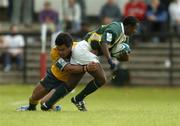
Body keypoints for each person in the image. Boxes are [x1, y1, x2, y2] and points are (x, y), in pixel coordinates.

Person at [41, 16, 139, 112]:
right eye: (135, 28)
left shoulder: (125, 37)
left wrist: (124, 53)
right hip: (84, 49)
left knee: (70, 84)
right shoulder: (116, 28)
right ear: (128, 26)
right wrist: (110, 60)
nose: (135, 31)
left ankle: (47, 105)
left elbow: (125, 58)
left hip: (83, 51)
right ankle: (78, 99)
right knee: (101, 79)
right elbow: (104, 42)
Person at [17, 33, 98, 111]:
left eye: (63, 49)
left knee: (44, 103)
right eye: (59, 49)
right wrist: (86, 68)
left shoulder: (79, 49)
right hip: (53, 76)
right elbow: (67, 68)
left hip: (66, 83)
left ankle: (55, 107)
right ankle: (31, 108)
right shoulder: (54, 52)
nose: (60, 52)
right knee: (34, 97)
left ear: (70, 46)